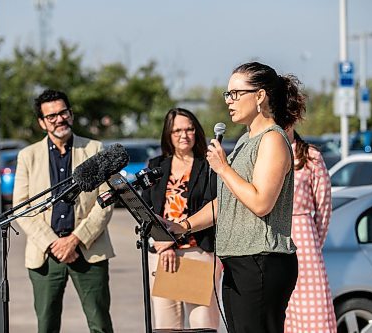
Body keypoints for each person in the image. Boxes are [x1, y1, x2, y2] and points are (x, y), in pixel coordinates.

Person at [167, 61, 306, 333]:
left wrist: (223, 168)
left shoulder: (272, 139)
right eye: (227, 94)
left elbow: (260, 202)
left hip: (262, 260)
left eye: (235, 94)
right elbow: (228, 201)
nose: (229, 101)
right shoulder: (245, 140)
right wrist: (183, 226)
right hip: (239, 261)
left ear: (260, 96)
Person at [13, 89, 115, 333]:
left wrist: (75, 239)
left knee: (100, 325)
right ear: (42, 123)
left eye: (63, 112)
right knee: (46, 326)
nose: (59, 119)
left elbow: (107, 199)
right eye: (51, 116)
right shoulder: (28, 156)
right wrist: (54, 243)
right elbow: (21, 206)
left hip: (88, 250)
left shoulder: (95, 149)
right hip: (45, 254)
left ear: (71, 114)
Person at [142, 108, 221, 330]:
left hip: (198, 252)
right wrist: (163, 244)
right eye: (177, 130)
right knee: (167, 326)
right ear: (168, 134)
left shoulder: (207, 166)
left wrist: (176, 237)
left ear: (197, 132)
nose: (183, 135)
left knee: (201, 325)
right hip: (162, 253)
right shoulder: (156, 166)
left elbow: (213, 208)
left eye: (189, 129)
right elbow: (147, 207)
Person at [284, 129, 337, 333]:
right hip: (272, 236)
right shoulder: (263, 153)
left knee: (313, 313)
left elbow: (324, 207)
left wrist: (313, 244)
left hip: (303, 239)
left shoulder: (310, 156)